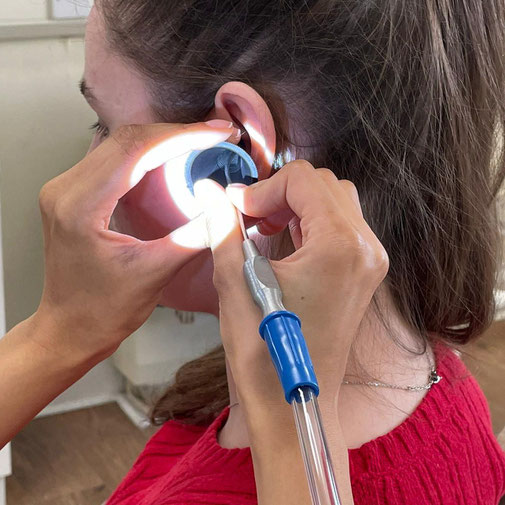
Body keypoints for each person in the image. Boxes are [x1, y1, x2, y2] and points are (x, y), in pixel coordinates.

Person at [0, 0, 504, 503]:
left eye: (104, 125)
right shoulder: (441, 381)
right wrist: (57, 337)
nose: (74, 179)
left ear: (238, 151)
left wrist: (50, 338)